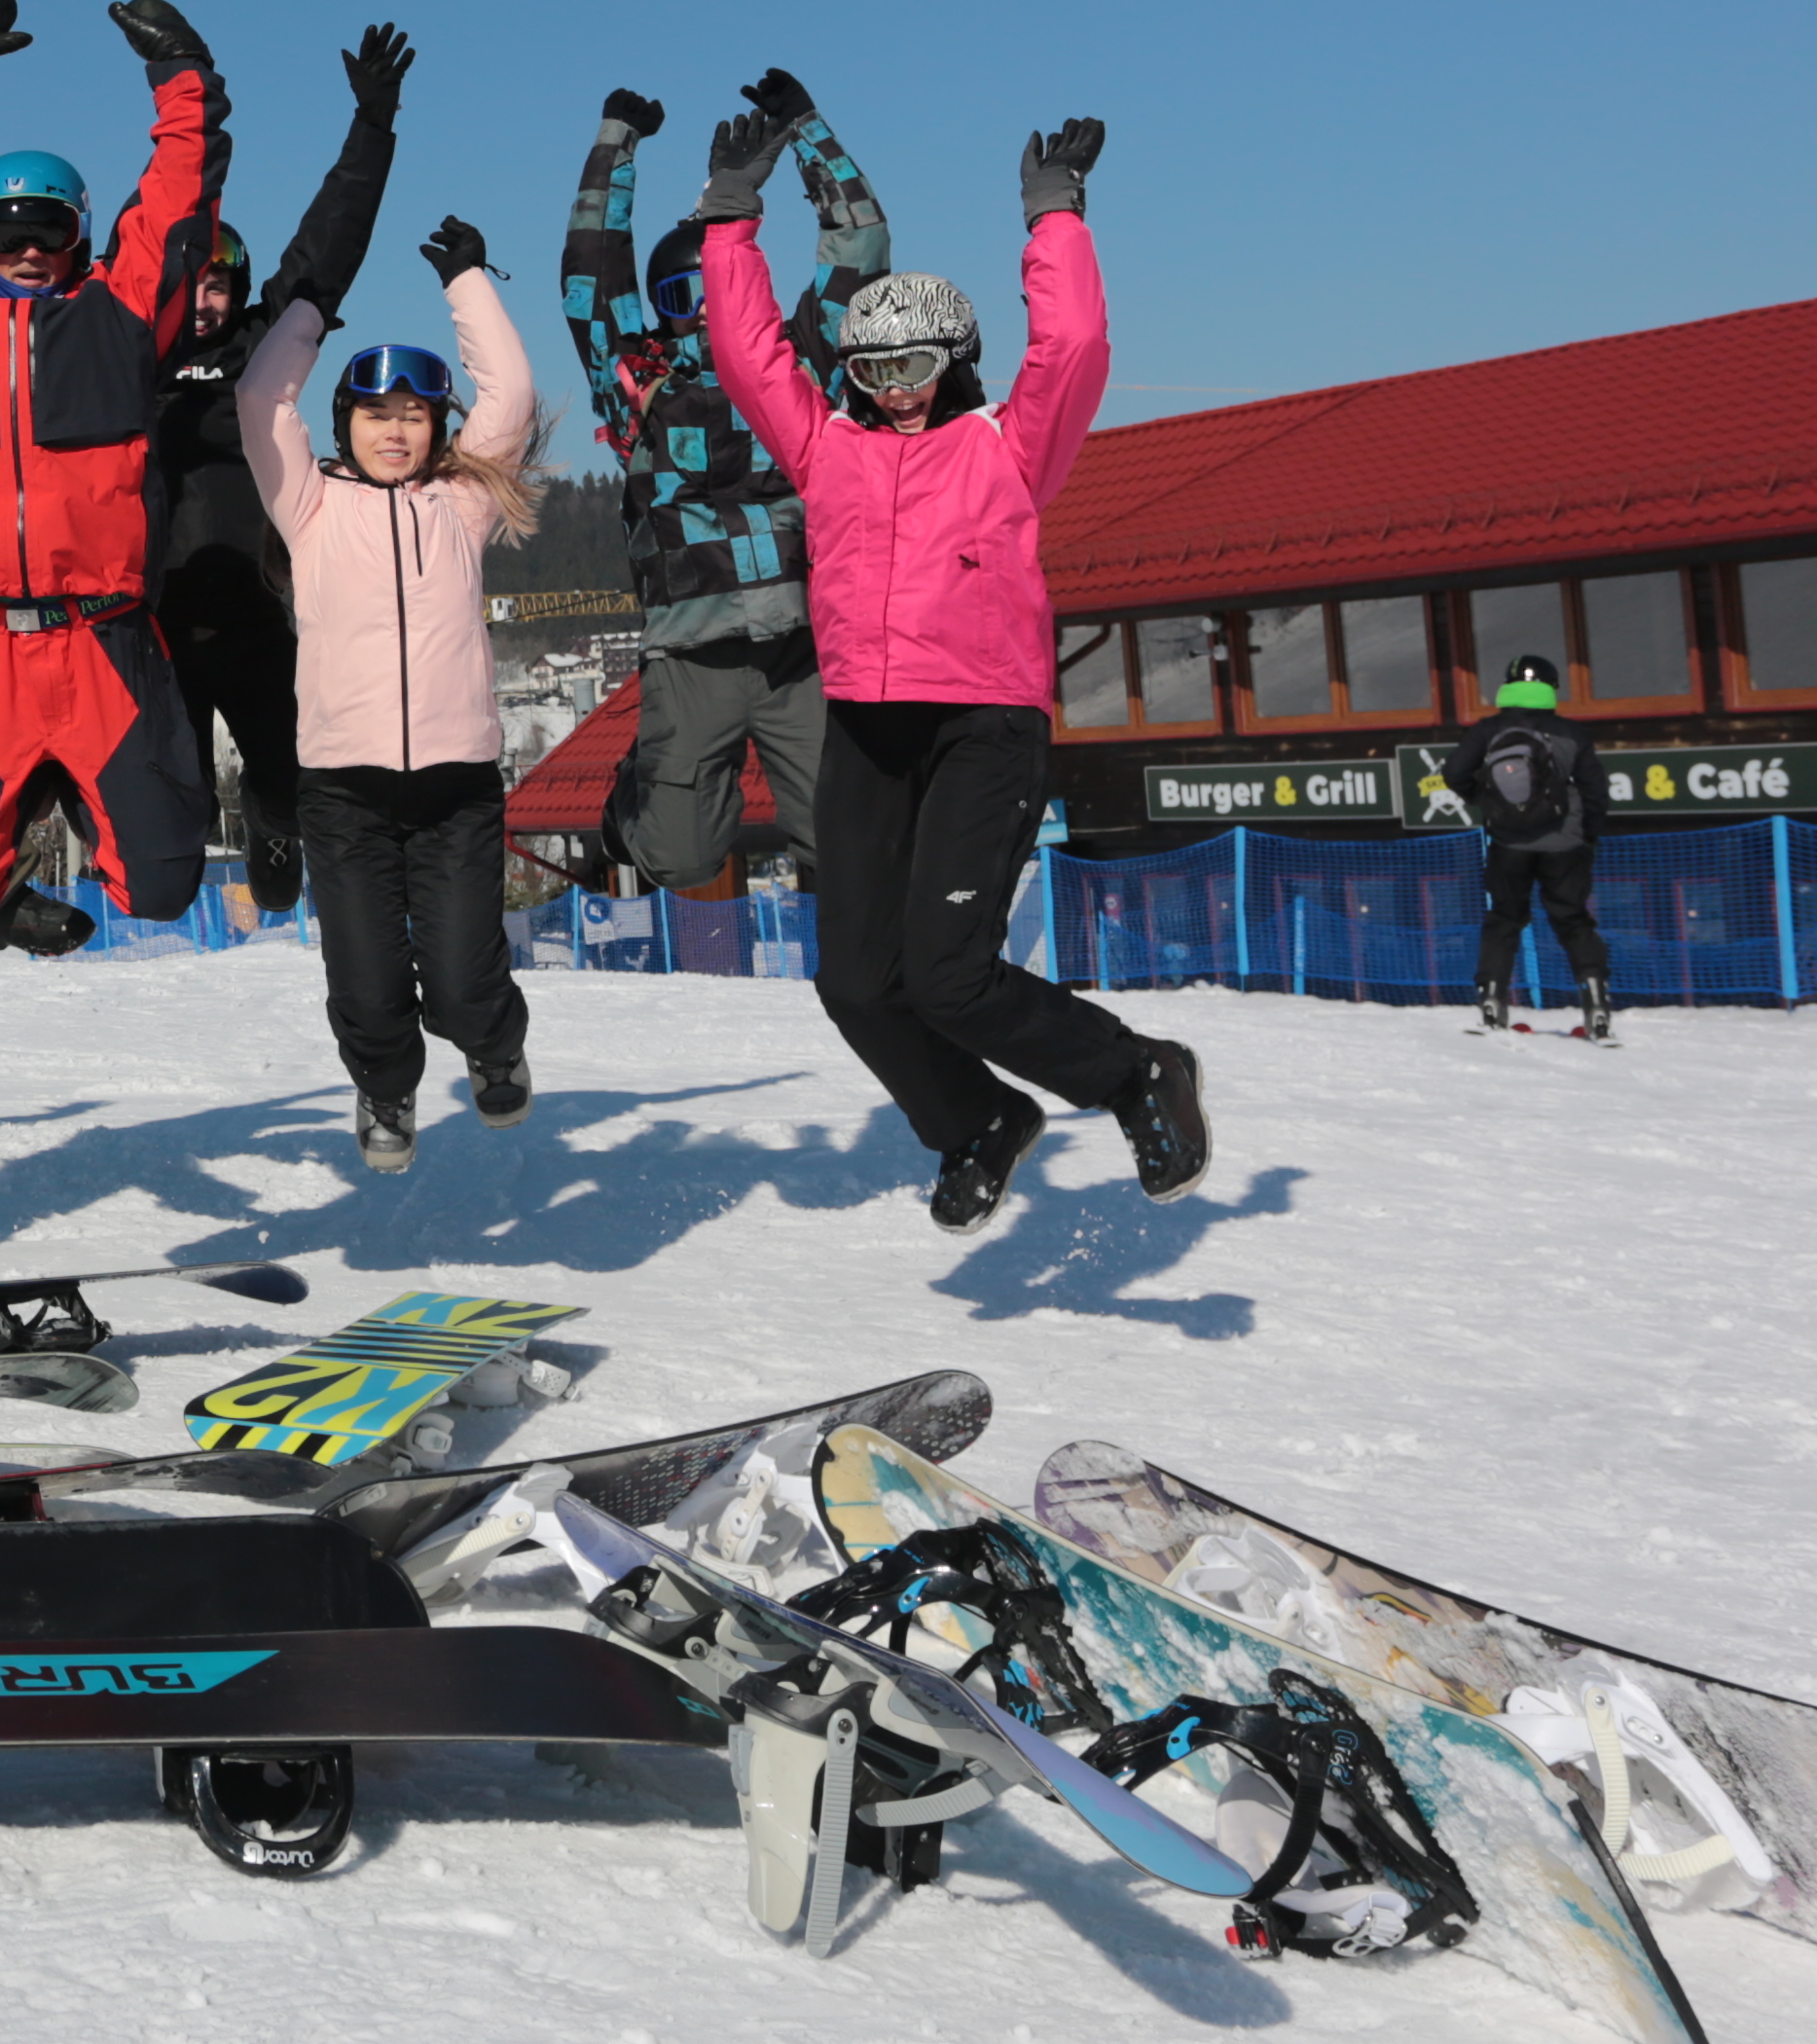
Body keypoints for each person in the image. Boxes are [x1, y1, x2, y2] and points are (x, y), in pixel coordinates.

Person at [695, 104, 1204, 1225]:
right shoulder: (825, 446)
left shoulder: (1007, 448)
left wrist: (1054, 216)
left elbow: (1071, 349)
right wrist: (731, 216)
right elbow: (747, 353)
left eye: (916, 362)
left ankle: (1134, 1074)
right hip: (871, 732)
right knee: (855, 984)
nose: (895, 387)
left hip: (983, 725)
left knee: (950, 974)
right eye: (871, 367)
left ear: (956, 358)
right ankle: (976, 1120)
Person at [0, 19, 409, 917]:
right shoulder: (119, 348)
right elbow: (21, 222)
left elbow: (328, 249)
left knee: (285, 771)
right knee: (172, 802)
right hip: (146, 620)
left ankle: (277, 828)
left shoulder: (260, 349)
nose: (202, 301)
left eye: (219, 284)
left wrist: (372, 130)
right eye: (190, 283)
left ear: (238, 288)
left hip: (253, 608)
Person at [0, 0, 229, 947]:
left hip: (103, 641)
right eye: (5, 230)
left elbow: (180, 200)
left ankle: (78, 786)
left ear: (78, 237)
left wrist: (181, 77)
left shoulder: (116, 318)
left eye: (50, 230)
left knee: (158, 888)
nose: (27, 249)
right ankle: (13, 828)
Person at [241, 210, 543, 1173]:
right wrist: (311, 309)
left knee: (461, 979)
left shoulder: (462, 504)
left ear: (437, 425)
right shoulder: (310, 505)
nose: (398, 431)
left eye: (415, 414)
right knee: (367, 984)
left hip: (456, 783)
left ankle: (494, 1049)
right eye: (378, 415)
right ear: (346, 426)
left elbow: (514, 395)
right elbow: (259, 401)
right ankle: (384, 1089)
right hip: (343, 788)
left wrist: (468, 284)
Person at [563, 74, 890, 896]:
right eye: (682, 298)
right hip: (691, 646)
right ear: (663, 312)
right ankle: (639, 791)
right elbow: (593, 277)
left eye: (715, 289)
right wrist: (616, 145)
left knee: (847, 838)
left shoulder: (805, 363)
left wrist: (807, 131)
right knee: (678, 860)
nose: (705, 312)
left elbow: (861, 247)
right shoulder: (639, 385)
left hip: (800, 640)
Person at [1439, 652, 1616, 1037]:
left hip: (1508, 842)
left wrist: (1487, 801)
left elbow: (1454, 773)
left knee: (1504, 920)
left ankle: (1490, 1002)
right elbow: (1595, 791)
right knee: (1573, 921)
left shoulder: (1487, 730)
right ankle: (1596, 1004)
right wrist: (1588, 835)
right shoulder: (1572, 733)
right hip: (1566, 844)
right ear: (1551, 688)